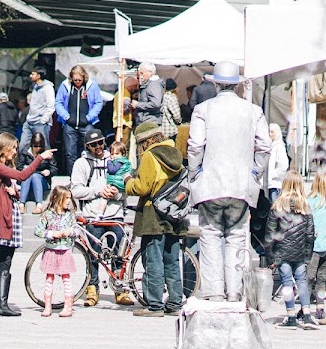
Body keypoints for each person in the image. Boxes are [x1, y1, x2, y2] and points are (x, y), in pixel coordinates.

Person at [188, 61, 271, 302]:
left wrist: (194, 173)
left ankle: (214, 292)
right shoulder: (253, 110)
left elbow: (195, 146)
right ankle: (235, 292)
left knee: (210, 235)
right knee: (237, 236)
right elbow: (264, 146)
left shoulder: (203, 109)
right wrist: (255, 172)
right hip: (241, 186)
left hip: (211, 184)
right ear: (235, 85)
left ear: (215, 82)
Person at [0, 133, 55, 317]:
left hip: (5, 218)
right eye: (12, 148)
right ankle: (1, 305)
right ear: (3, 147)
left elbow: (12, 188)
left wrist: (13, 191)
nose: (15, 152)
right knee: (4, 262)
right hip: (3, 220)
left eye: (16, 148)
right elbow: (23, 176)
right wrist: (40, 157)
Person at [123, 122, 187, 317]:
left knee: (153, 261)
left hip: (153, 216)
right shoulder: (174, 153)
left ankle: (155, 305)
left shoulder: (150, 156)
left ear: (145, 141)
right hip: (174, 215)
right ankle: (175, 303)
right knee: (172, 261)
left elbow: (143, 187)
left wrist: (128, 181)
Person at [70, 128, 133, 307]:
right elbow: (76, 190)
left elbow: (128, 186)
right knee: (93, 255)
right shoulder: (81, 163)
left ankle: (120, 289)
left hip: (115, 215)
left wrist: (117, 195)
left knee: (120, 254)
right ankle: (92, 288)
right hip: (93, 216)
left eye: (101, 143)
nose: (98, 147)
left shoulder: (116, 158)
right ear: (87, 146)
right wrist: (98, 191)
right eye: (93, 144)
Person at [268, 171, 319, 330]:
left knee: (287, 283)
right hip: (300, 253)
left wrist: (271, 257)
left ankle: (291, 318)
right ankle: (307, 315)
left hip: (282, 253)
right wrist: (307, 256)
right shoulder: (305, 207)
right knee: (302, 282)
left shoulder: (277, 206)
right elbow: (310, 234)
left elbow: (270, 234)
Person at [33, 185, 81, 318]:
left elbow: (77, 230)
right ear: (57, 199)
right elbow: (37, 230)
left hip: (65, 250)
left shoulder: (70, 216)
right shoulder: (47, 215)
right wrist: (51, 234)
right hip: (51, 250)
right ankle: (47, 306)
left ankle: (68, 306)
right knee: (49, 277)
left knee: (66, 277)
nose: (69, 201)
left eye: (70, 199)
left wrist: (69, 232)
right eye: (66, 199)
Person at [55, 65, 103, 176]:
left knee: (90, 151)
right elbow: (58, 102)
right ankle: (73, 178)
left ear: (84, 77)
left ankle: (89, 175)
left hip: (86, 124)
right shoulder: (65, 85)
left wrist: (89, 117)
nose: (77, 82)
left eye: (79, 80)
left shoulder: (92, 85)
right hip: (69, 124)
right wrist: (66, 117)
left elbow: (98, 102)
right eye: (75, 80)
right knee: (69, 153)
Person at [306, 172, 326, 324]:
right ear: (323, 184)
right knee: (309, 277)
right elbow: (306, 220)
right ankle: (305, 308)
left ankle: (320, 307)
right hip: (315, 246)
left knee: (321, 278)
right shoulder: (312, 201)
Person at [16, 133, 54, 213]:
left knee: (35, 176)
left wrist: (49, 172)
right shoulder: (25, 152)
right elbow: (19, 167)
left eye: (40, 146)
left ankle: (39, 205)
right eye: (35, 146)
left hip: (42, 180)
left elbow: (54, 168)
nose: (38, 148)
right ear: (31, 145)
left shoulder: (47, 152)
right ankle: (21, 204)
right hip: (26, 180)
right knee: (27, 175)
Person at [20, 67, 55, 149]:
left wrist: (43, 120)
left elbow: (51, 106)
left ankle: (49, 162)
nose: (30, 76)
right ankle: (22, 162)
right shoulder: (35, 87)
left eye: (33, 74)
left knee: (44, 147)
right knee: (22, 145)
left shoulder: (48, 88)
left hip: (40, 123)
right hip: (29, 121)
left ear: (39, 76)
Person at [131, 62, 164, 127]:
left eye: (142, 73)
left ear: (150, 73)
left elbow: (156, 104)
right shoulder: (150, 84)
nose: (140, 76)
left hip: (150, 122)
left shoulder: (153, 85)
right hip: (148, 121)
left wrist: (138, 104)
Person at [266, 123, 290, 202]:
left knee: (275, 209)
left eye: (272, 132)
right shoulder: (267, 146)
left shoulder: (279, 146)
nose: (270, 134)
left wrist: (272, 174)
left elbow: (283, 165)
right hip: (266, 185)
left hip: (275, 185)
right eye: (268, 131)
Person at [159, 78, 182, 144]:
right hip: (169, 130)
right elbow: (177, 115)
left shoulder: (160, 96)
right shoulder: (171, 97)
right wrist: (179, 121)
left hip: (160, 130)